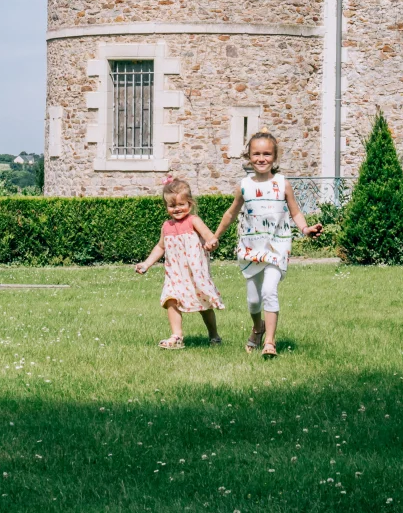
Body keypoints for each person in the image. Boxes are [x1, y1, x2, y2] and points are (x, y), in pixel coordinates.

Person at [207, 130, 322, 357]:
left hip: (277, 246)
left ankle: (269, 342)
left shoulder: (282, 183)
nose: (262, 158)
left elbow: (295, 212)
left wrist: (306, 229)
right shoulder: (244, 185)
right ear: (249, 156)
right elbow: (230, 214)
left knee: (270, 290)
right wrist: (215, 236)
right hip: (251, 248)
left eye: (267, 154)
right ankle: (257, 328)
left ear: (275, 157)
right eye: (256, 153)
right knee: (253, 300)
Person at [136, 177, 224, 349]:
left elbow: (210, 237)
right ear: (166, 207)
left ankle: (214, 335)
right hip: (175, 273)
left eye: (181, 204)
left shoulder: (194, 221)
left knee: (204, 304)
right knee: (171, 299)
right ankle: (177, 336)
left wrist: (212, 243)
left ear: (190, 204)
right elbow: (160, 247)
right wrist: (146, 264)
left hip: (194, 272)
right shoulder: (166, 226)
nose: (177, 209)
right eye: (172, 206)